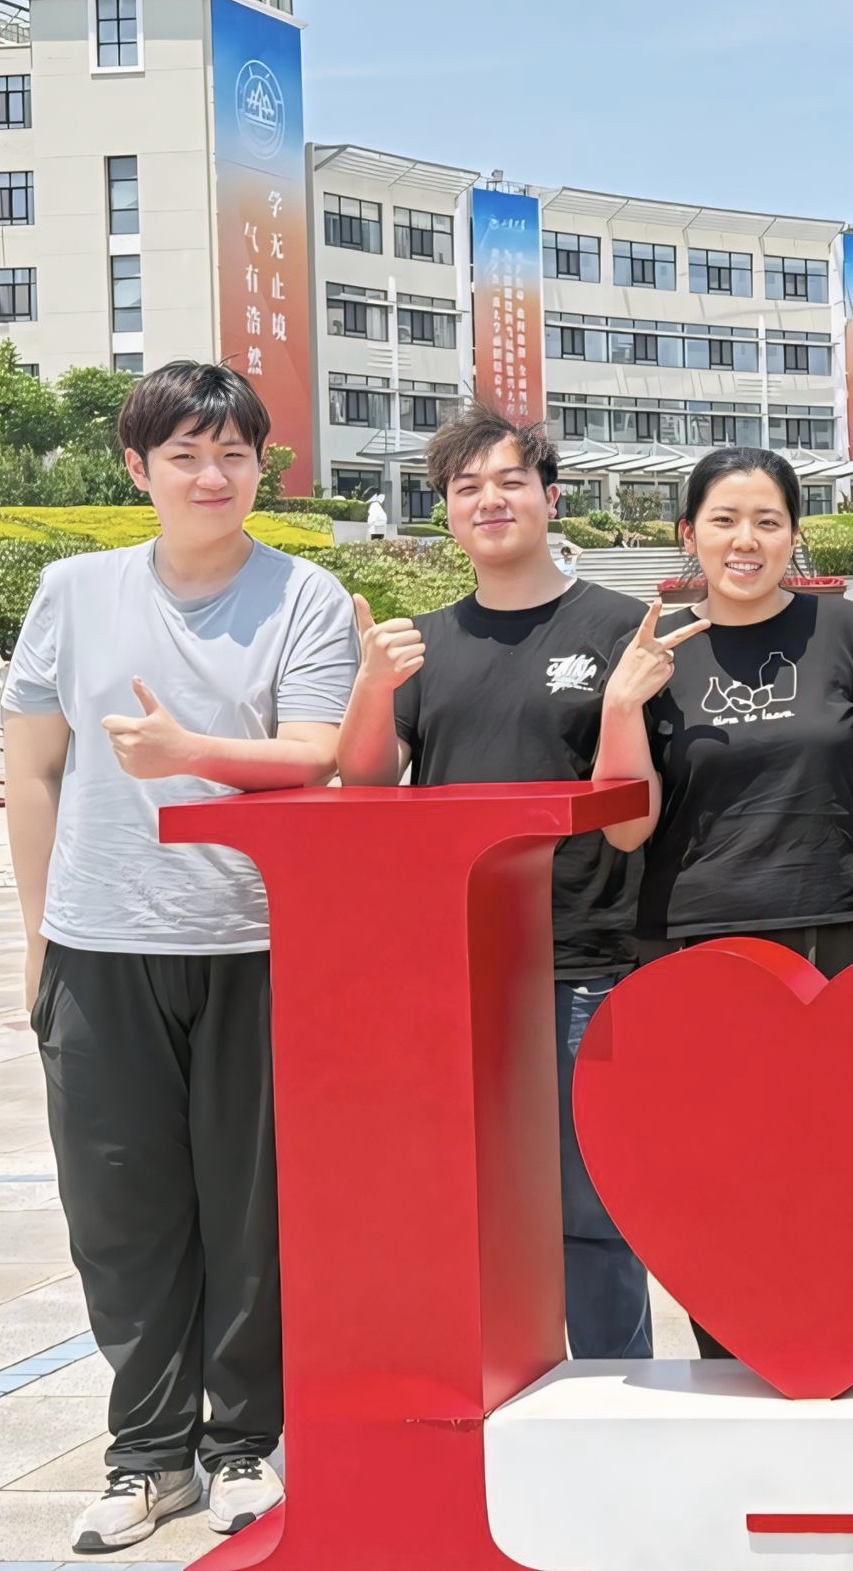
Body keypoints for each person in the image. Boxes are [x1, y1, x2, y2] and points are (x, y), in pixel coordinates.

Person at [0, 363, 358, 1551]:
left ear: (262, 466)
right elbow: (34, 769)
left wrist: (185, 751)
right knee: (119, 1211)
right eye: (186, 456)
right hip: (98, 945)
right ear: (137, 468)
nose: (213, 477)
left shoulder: (304, 593)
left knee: (251, 1212)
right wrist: (37, 937)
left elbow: (314, 755)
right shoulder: (73, 591)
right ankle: (149, 1455)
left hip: (254, 940)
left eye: (235, 455)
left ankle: (243, 1442)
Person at [332, 407, 665, 1361]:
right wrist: (369, 685)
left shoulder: (618, 629)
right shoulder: (425, 644)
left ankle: (608, 1399)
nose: (490, 500)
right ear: (445, 511)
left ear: (550, 498)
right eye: (466, 487)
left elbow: (635, 815)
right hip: (455, 970)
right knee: (464, 1199)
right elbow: (366, 786)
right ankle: (492, 1394)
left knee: (591, 1212)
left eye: (510, 481)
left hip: (584, 962)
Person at [590, 445, 853, 1360]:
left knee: (838, 1165)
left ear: (794, 535)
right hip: (695, 944)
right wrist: (620, 706)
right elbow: (627, 831)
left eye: (767, 521)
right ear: (688, 534)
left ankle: (835, 1353)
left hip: (833, 930)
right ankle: (736, 1364)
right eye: (724, 520)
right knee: (716, 1178)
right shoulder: (654, 652)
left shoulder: (848, 632)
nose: (746, 540)